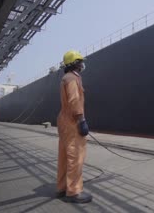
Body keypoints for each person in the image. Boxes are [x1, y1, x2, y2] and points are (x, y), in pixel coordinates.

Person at [56, 50, 92, 203]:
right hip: (72, 121)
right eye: (79, 61)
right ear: (74, 64)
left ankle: (62, 187)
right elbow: (74, 100)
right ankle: (73, 192)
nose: (82, 63)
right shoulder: (72, 79)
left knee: (65, 155)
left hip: (64, 120)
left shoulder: (67, 78)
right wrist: (81, 120)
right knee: (75, 156)